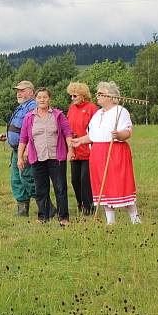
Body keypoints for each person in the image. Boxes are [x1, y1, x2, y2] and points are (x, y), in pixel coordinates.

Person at [71, 81, 140, 225]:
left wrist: (119, 135)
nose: (97, 96)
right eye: (97, 94)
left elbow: (128, 132)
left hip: (115, 151)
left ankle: (135, 218)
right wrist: (80, 141)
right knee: (102, 185)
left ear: (110, 96)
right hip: (97, 153)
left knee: (120, 184)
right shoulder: (97, 114)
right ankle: (110, 220)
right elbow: (94, 135)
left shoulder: (120, 111)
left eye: (101, 94)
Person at [17, 88, 74, 225]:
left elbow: (68, 134)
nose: (42, 100)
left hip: (56, 157)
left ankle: (63, 217)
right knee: (41, 189)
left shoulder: (58, 115)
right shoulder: (29, 117)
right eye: (40, 97)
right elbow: (23, 139)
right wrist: (20, 157)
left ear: (49, 99)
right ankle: (43, 217)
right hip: (37, 158)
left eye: (45, 97)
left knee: (60, 187)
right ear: (35, 99)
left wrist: (70, 150)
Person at [2, 81, 37, 216]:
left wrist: (27, 149)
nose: (18, 93)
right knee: (17, 179)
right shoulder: (22, 106)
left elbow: (33, 129)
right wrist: (7, 135)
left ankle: (46, 207)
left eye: (22, 90)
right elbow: (19, 127)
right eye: (18, 90)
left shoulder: (32, 106)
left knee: (28, 178)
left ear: (30, 92)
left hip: (27, 149)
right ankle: (22, 211)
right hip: (17, 149)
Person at [66, 82, 98, 215]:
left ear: (83, 96)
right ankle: (80, 203)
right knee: (75, 180)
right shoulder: (72, 108)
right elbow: (68, 127)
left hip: (88, 150)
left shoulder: (92, 108)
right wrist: (70, 147)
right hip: (75, 148)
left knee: (85, 179)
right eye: (71, 96)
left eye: (75, 95)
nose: (72, 98)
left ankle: (89, 206)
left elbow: (96, 129)